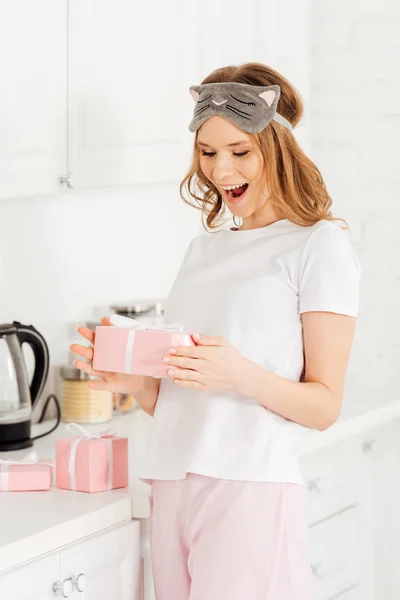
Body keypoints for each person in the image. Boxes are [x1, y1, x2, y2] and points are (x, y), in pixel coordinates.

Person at [71, 62, 361, 600]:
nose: (221, 169)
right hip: (172, 481)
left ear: (277, 147)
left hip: (249, 486)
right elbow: (185, 396)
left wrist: (242, 375)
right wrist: (136, 383)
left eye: (239, 151)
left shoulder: (318, 245)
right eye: (208, 153)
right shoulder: (202, 249)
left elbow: (323, 405)